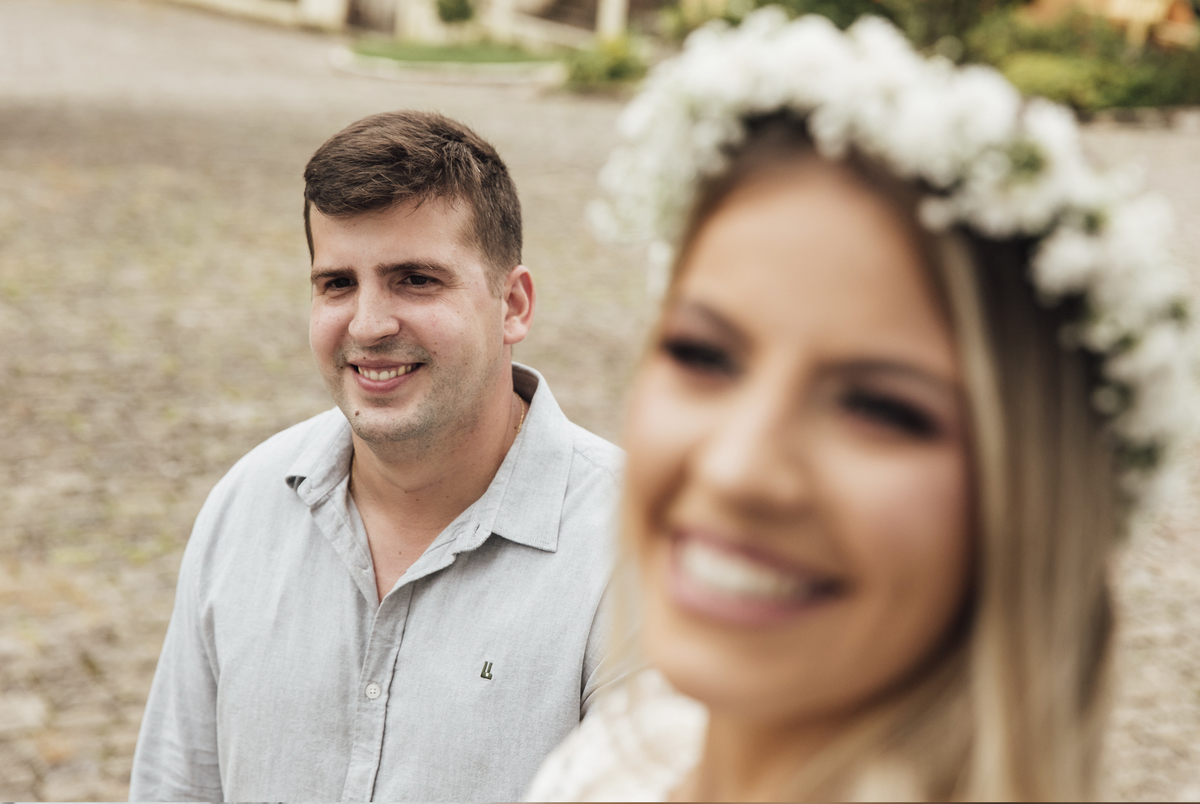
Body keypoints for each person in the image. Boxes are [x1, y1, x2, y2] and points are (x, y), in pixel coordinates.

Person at [528, 10, 1196, 802]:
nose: (739, 468)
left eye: (880, 408)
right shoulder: (603, 769)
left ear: (1034, 499)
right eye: (704, 355)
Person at [129, 111, 624, 801]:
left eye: (415, 279)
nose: (367, 325)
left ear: (512, 304)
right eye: (337, 283)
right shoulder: (245, 507)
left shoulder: (633, 555)